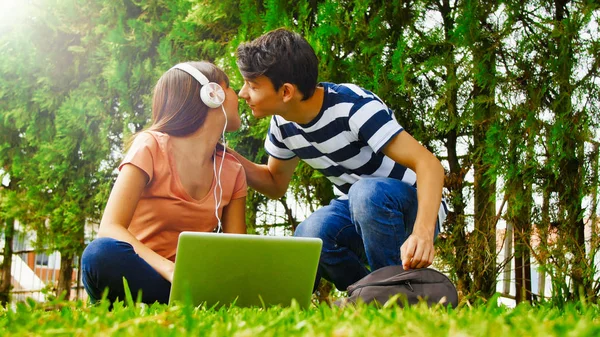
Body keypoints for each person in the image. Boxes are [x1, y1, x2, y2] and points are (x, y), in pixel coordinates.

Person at [228, 28, 447, 292]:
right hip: (360, 211)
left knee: (366, 192)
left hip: (410, 208)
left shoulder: (353, 108)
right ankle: (367, 295)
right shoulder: (282, 124)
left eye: (252, 86)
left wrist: (422, 233)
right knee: (310, 236)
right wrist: (222, 154)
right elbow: (275, 183)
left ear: (286, 91)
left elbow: (429, 165)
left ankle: (396, 292)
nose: (242, 93)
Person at [81, 61, 247, 304]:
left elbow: (238, 251)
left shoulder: (232, 170)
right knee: (100, 254)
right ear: (213, 94)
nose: (240, 95)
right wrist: (171, 271)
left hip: (191, 282)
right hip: (143, 273)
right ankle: (188, 300)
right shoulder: (150, 146)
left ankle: (190, 299)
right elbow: (110, 228)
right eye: (231, 87)